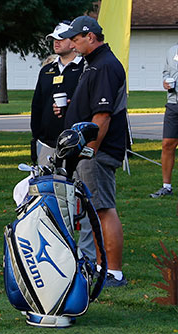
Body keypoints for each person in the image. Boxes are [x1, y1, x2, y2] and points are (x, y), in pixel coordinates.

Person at [58, 15, 130, 287]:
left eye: (76, 39)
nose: (73, 44)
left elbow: (102, 115)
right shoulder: (94, 64)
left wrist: (88, 151)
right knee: (96, 210)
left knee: (103, 209)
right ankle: (102, 266)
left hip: (97, 152)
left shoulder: (105, 66)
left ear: (90, 36)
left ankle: (113, 272)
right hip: (91, 151)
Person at [29, 21, 83, 165]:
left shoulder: (85, 68)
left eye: (61, 39)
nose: (56, 43)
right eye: (54, 39)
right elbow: (37, 105)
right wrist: (36, 137)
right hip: (46, 142)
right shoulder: (47, 70)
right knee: (45, 184)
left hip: (75, 141)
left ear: (73, 42)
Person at [153, 38, 178, 198]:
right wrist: (166, 83)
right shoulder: (172, 51)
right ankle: (166, 186)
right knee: (167, 144)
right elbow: (166, 72)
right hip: (173, 104)